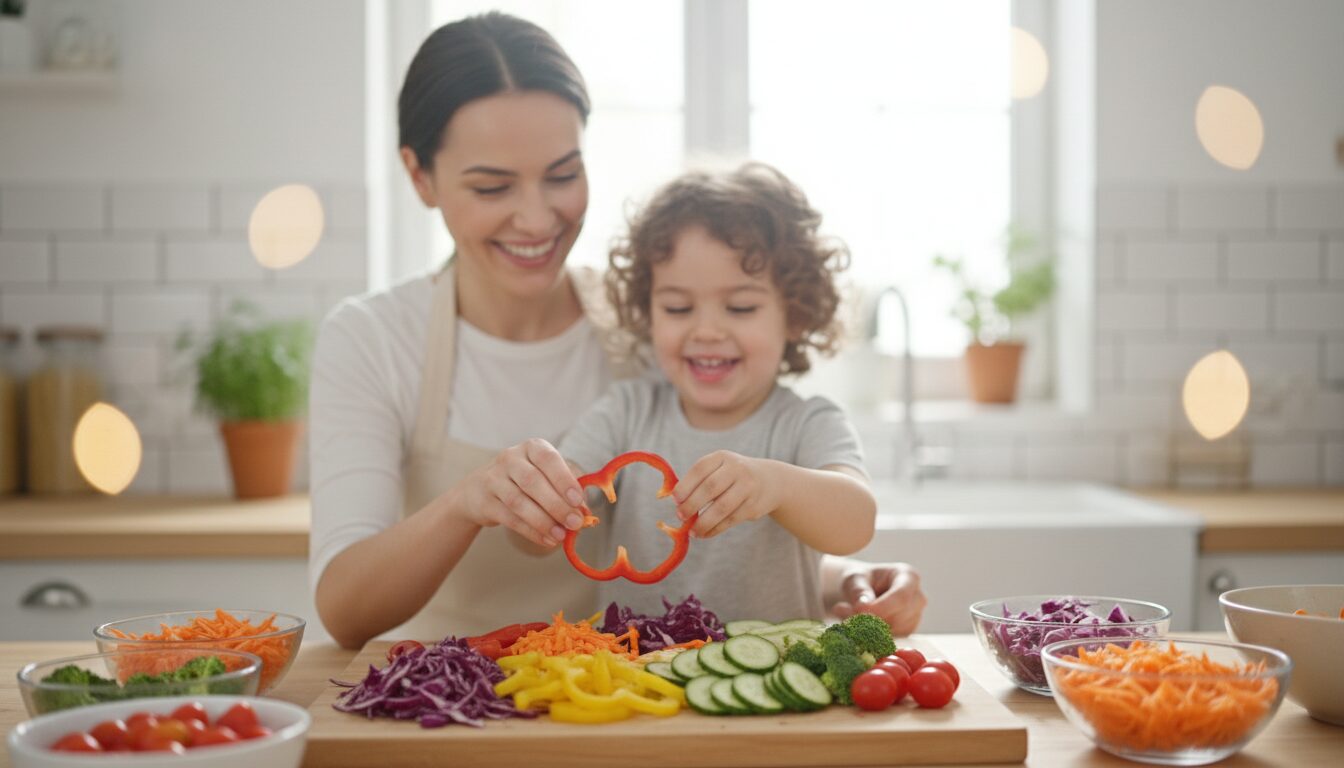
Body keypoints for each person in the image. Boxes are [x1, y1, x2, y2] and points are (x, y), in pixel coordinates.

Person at [308, 12, 926, 650]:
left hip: (617, 696)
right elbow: (347, 612)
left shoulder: (646, 318)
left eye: (562, 175)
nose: (535, 216)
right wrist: (472, 503)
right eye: (493, 185)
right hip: (456, 695)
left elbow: (710, 539)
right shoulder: (373, 338)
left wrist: (846, 579)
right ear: (419, 177)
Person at [558, 163, 876, 622]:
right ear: (648, 311)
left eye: (741, 307)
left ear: (797, 314)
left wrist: (776, 484)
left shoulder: (809, 423)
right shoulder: (626, 411)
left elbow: (856, 522)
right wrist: (541, 500)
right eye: (678, 307)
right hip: (633, 685)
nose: (706, 330)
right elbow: (534, 534)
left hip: (775, 685)